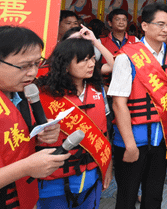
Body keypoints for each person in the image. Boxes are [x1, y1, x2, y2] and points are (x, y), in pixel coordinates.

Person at [0, 26, 68, 208]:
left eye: (37, 63)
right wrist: (26, 167)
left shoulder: (20, 94)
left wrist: (38, 137)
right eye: (24, 66)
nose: (32, 73)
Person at [107, 3, 167, 209]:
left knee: (154, 194)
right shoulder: (127, 56)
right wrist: (130, 145)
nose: (165, 29)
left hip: (163, 139)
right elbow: (118, 103)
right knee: (127, 196)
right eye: (160, 24)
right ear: (145, 26)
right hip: (132, 139)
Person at [35, 34, 115, 209]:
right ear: (65, 64)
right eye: (84, 60)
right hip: (54, 181)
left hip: (91, 174)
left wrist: (107, 166)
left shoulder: (97, 89)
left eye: (93, 59)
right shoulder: (43, 95)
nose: (91, 64)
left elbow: (104, 130)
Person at [100, 8, 139, 87]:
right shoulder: (100, 42)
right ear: (110, 23)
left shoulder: (135, 40)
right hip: (108, 86)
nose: (121, 22)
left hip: (131, 86)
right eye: (117, 19)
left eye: (124, 20)